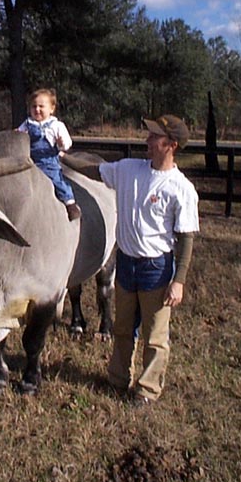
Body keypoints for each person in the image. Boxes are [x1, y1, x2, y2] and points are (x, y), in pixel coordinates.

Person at [61, 114, 199, 406]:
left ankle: (147, 389)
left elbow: (186, 237)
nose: (147, 141)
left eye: (154, 138)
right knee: (123, 328)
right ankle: (117, 379)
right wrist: (61, 156)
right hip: (126, 263)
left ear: (171, 145)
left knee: (154, 335)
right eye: (148, 136)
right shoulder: (128, 170)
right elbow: (94, 170)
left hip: (156, 269)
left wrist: (179, 280)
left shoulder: (180, 188)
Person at [18, 88, 81, 221]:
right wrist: (17, 135)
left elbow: (67, 144)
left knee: (57, 181)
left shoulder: (56, 125)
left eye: (41, 106)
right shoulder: (28, 124)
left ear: (52, 109)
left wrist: (61, 143)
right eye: (34, 106)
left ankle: (70, 202)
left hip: (48, 162)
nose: (37, 109)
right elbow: (18, 135)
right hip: (29, 161)